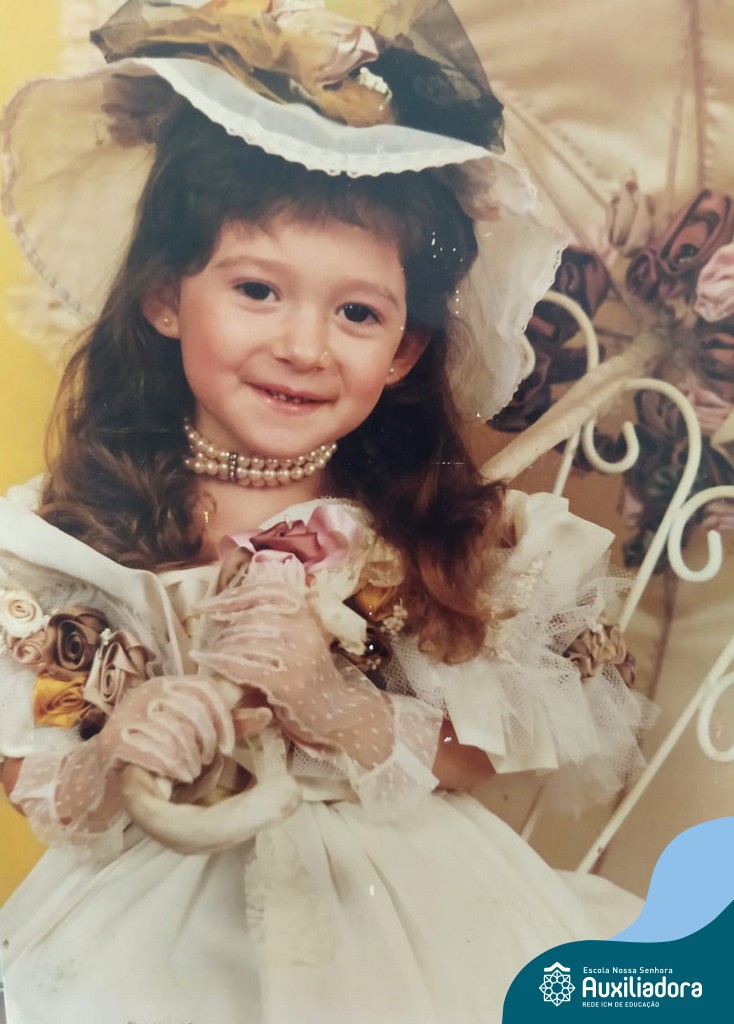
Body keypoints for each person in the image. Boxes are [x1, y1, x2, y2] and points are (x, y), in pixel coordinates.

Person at [0, 2, 653, 1021]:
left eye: (357, 312)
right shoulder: (71, 533)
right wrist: (118, 741)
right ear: (165, 297)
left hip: (397, 900)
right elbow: (32, 769)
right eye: (257, 291)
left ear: (401, 352)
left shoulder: (429, 526)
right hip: (159, 916)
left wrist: (333, 704)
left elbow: (474, 752)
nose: (304, 346)